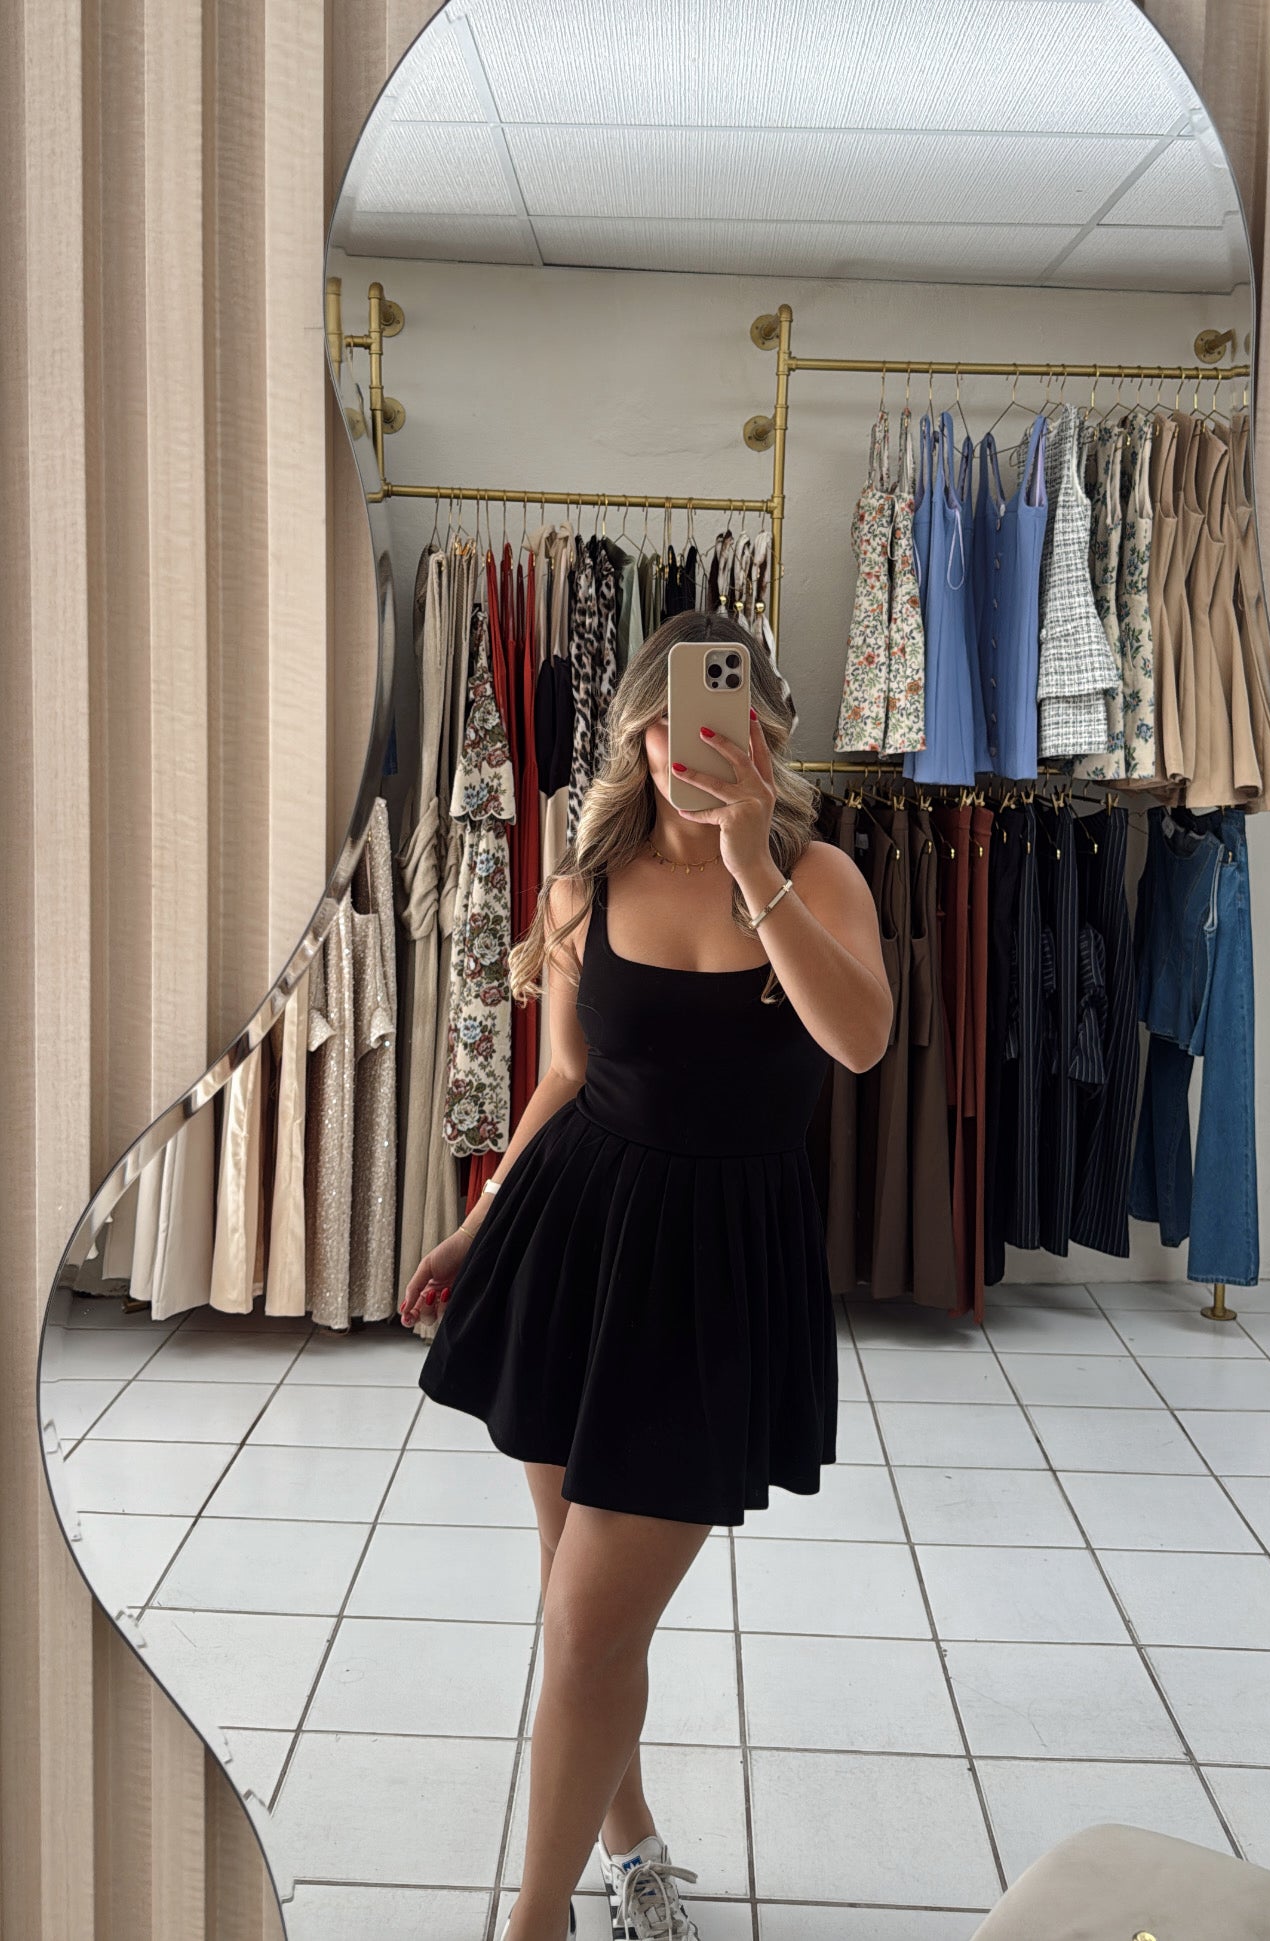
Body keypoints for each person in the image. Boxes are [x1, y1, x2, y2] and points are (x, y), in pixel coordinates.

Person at [400, 610, 892, 1941]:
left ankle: (533, 1921)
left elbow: (857, 1042)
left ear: (766, 734)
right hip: (572, 1243)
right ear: (635, 729)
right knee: (579, 1606)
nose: (690, 744)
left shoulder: (820, 876)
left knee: (586, 1624)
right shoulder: (583, 888)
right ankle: (627, 1846)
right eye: (666, 717)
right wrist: (481, 1219)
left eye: (720, 717)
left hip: (715, 1271)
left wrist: (752, 866)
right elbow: (566, 1076)